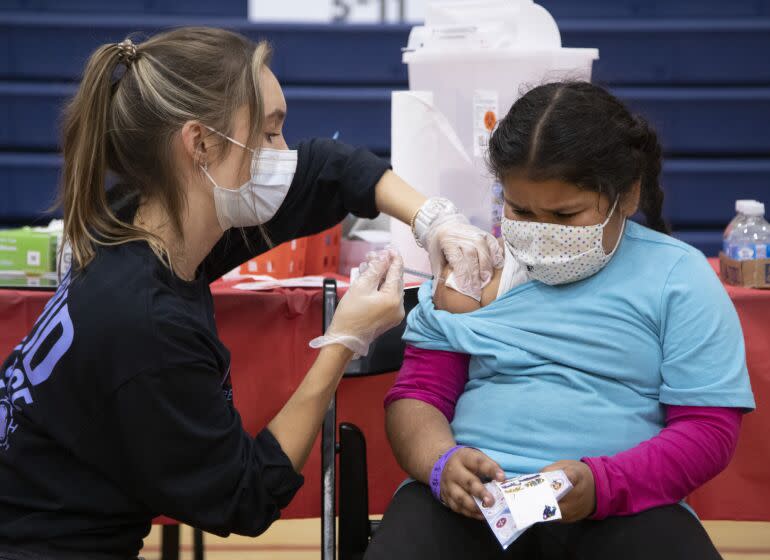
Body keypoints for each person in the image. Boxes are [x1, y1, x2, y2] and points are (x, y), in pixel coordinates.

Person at [0, 28, 502, 559]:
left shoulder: (131, 223)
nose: (282, 154)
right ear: (199, 144)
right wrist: (342, 342)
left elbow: (326, 169)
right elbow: (247, 496)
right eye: (268, 135)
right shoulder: (145, 322)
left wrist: (433, 218)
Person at [367, 82, 755, 560]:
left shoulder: (679, 277)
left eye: (566, 214)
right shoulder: (474, 271)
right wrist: (439, 462)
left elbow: (706, 428)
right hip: (475, 504)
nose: (541, 231)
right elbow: (419, 396)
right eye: (520, 210)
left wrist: (604, 484)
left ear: (627, 196)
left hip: (625, 504)